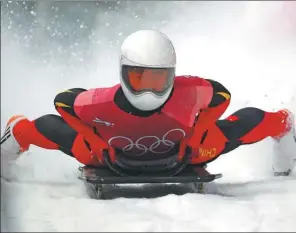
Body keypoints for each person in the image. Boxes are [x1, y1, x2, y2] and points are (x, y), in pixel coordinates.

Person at [1, 30, 295, 177]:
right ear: (123, 73)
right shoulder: (98, 102)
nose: (149, 91)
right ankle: (12, 136)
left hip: (187, 150)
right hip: (106, 153)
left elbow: (221, 94)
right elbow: (63, 102)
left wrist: (199, 131)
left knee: (253, 121)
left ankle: (287, 127)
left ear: (172, 75)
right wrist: (94, 138)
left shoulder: (188, 91)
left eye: (157, 80)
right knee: (35, 128)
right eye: (139, 79)